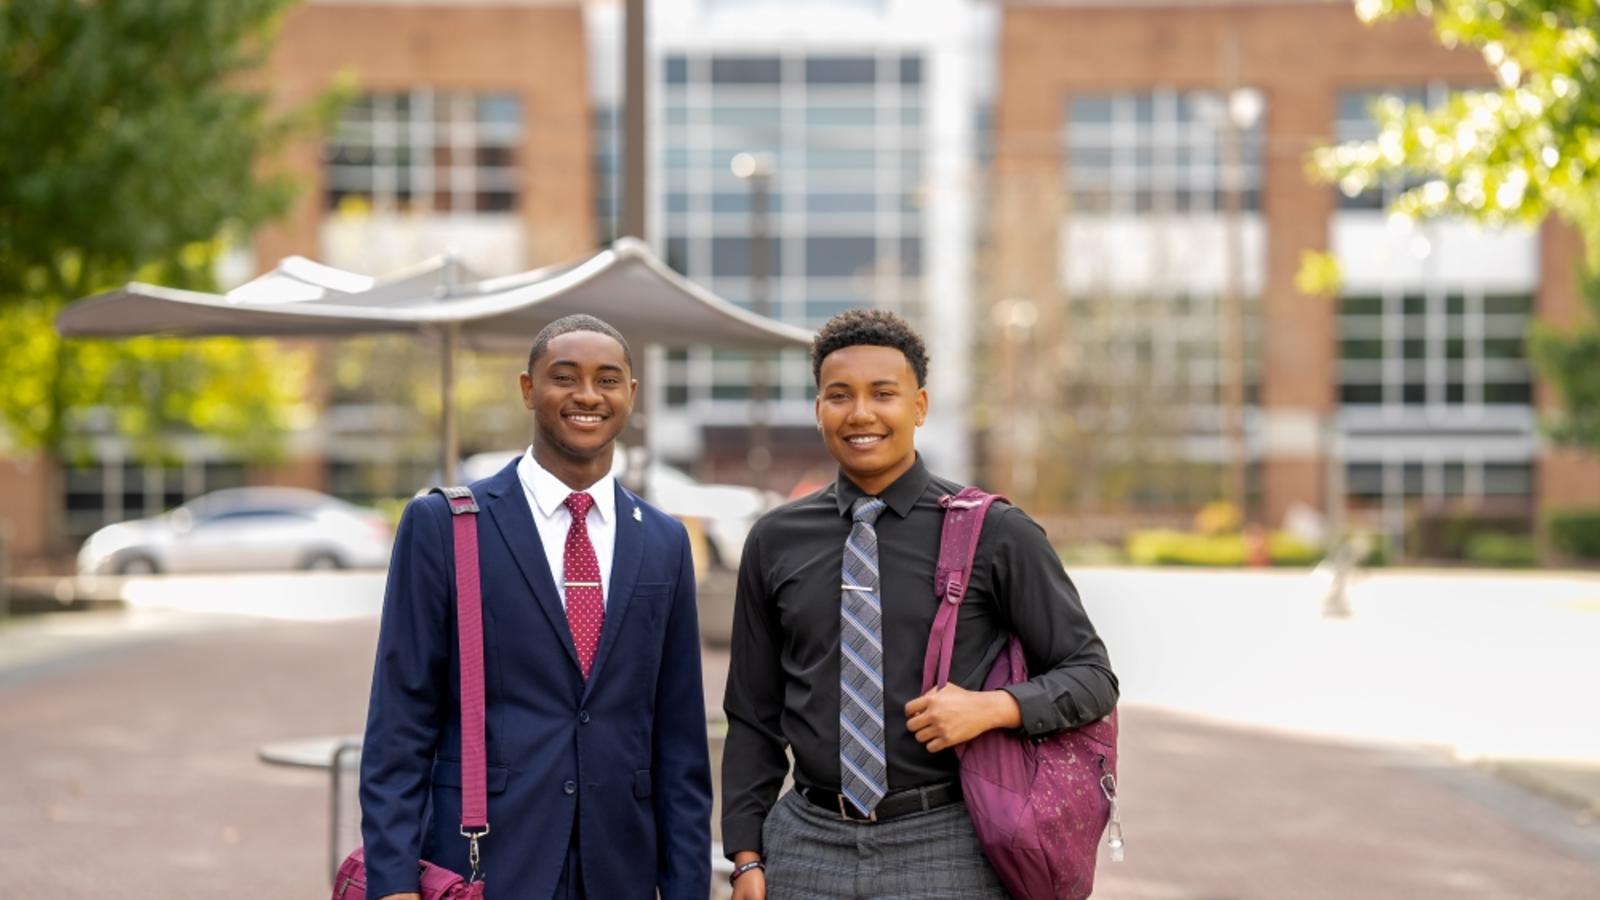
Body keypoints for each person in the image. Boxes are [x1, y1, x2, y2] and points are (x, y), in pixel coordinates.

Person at [722, 309, 1118, 900]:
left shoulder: (996, 532)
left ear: (919, 406)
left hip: (946, 843)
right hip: (806, 846)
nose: (861, 414)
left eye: (883, 394)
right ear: (818, 409)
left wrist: (996, 707)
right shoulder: (775, 539)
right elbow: (753, 712)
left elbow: (1092, 678)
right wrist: (747, 855)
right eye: (839, 395)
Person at [361, 314, 712, 900]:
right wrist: (392, 882)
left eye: (607, 379)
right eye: (564, 376)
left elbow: (678, 739)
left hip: (621, 867)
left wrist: (687, 887)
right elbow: (400, 723)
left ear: (630, 394)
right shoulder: (445, 525)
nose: (586, 396)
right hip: (487, 863)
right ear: (528, 388)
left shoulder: (663, 540)